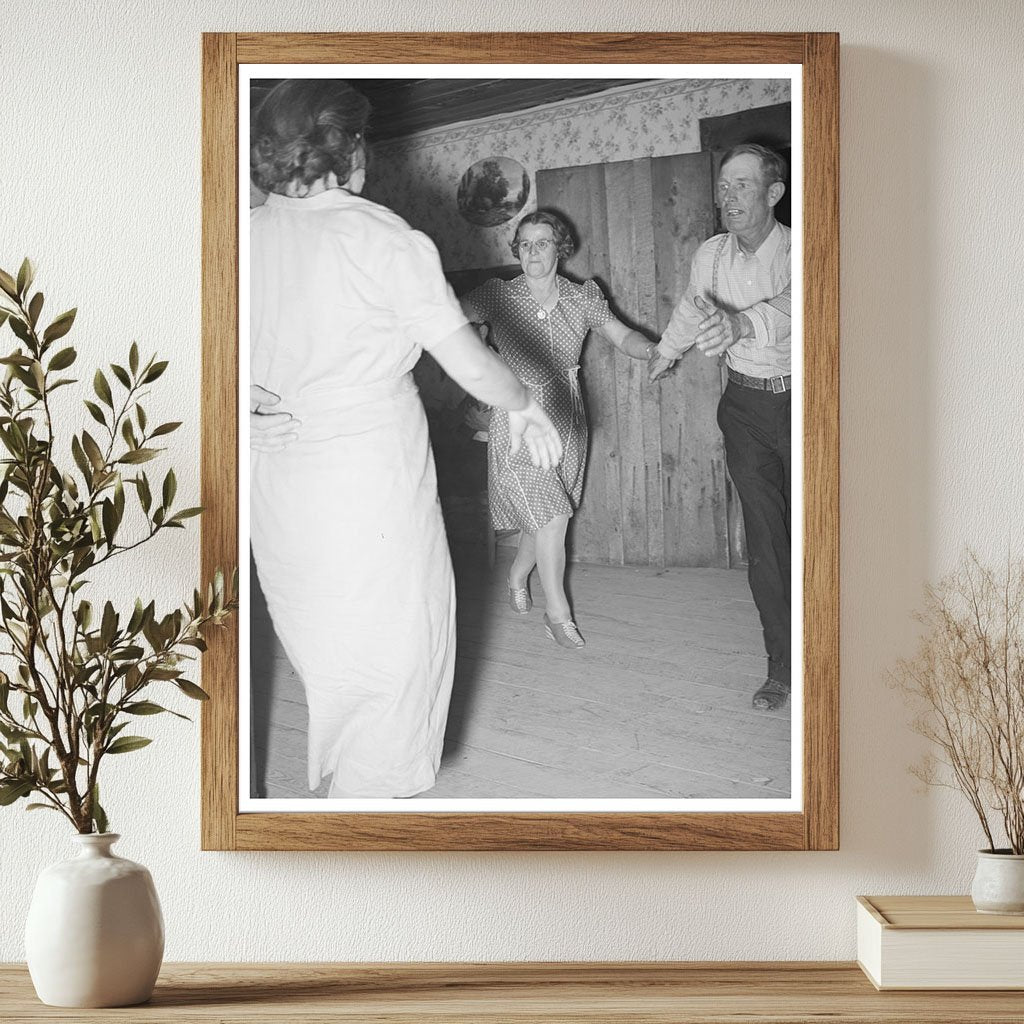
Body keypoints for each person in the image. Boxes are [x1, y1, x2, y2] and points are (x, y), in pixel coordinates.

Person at [248, 79, 561, 798]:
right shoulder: (380, 236)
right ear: (351, 148)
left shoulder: (244, 234)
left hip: (280, 474)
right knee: (398, 644)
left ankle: (344, 790)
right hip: (367, 472)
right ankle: (366, 809)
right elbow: (474, 366)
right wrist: (525, 404)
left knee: (325, 640)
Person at [462, 210, 657, 649]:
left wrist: (653, 351)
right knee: (552, 514)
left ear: (559, 248)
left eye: (542, 242)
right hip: (515, 419)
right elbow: (446, 319)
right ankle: (558, 615)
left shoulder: (582, 297)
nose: (533, 251)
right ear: (517, 251)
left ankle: (516, 574)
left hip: (567, 417)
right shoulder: (498, 296)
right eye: (525, 244)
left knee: (548, 517)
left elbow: (623, 336)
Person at [649, 143, 792, 711]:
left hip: (807, 402)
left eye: (742, 185)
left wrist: (740, 325)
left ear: (774, 193)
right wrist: (667, 350)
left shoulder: (802, 247)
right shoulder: (710, 254)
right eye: (723, 186)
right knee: (766, 541)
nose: (727, 196)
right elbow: (692, 305)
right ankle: (781, 667)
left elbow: (798, 300)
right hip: (743, 409)